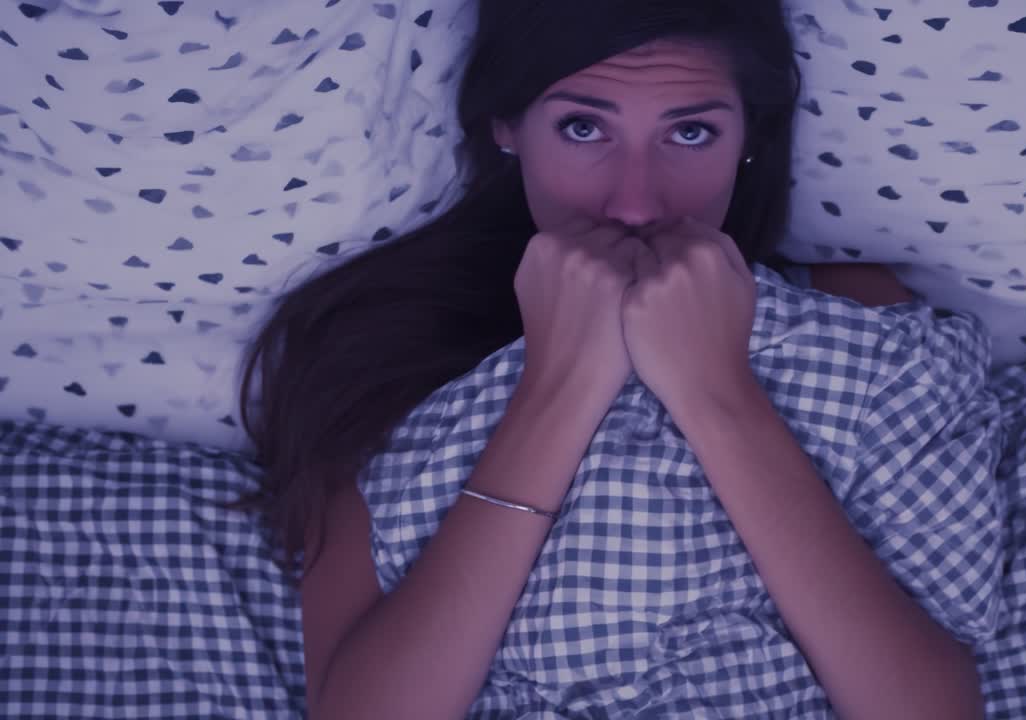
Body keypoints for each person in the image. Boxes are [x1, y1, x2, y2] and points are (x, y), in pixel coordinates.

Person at [236, 1, 982, 717]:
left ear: (748, 135)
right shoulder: (379, 356)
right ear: (507, 124)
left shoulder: (863, 330)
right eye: (583, 127)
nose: (634, 201)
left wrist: (716, 391)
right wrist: (559, 384)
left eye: (689, 134)